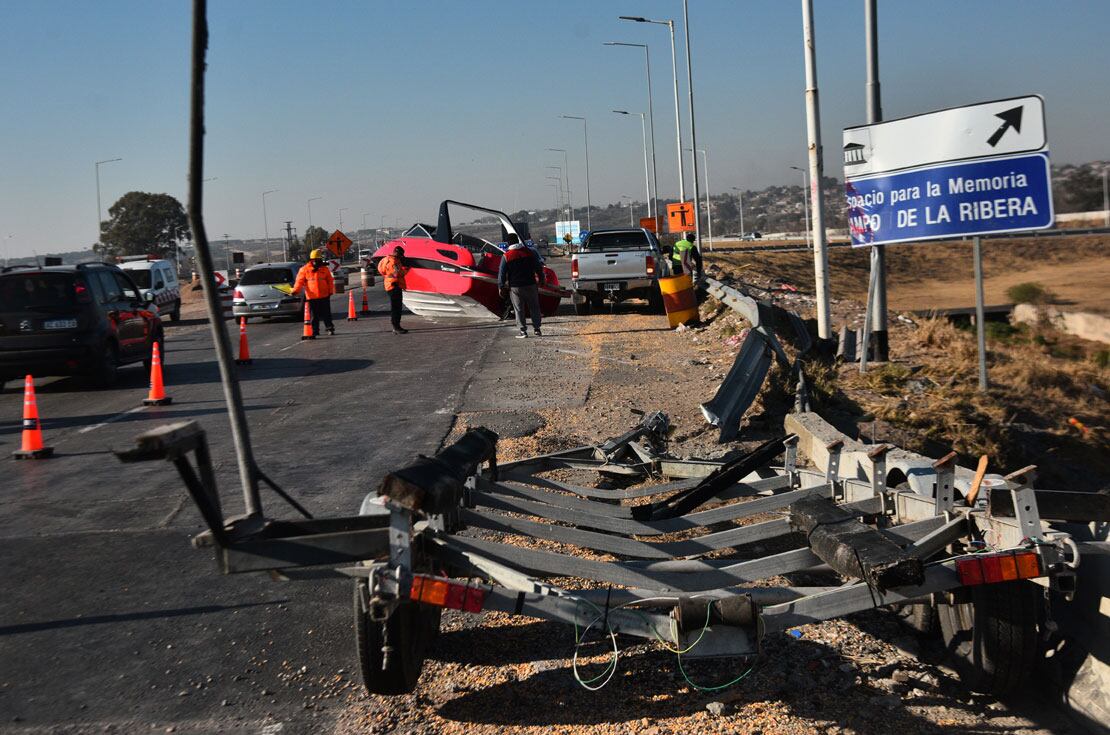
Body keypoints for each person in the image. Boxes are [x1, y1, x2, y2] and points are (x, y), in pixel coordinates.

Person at [498, 234, 545, 338]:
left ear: (508, 243)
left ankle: (523, 331)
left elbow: (501, 273)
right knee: (534, 307)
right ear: (517, 241)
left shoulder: (506, 256)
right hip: (531, 284)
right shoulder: (529, 252)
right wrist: (542, 279)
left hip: (516, 287)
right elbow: (538, 267)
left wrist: (500, 287)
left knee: (519, 309)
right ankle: (537, 330)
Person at [291, 249, 336, 337]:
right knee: (314, 315)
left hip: (324, 295)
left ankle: (330, 328)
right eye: (315, 260)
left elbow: (330, 281)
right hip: (312, 297)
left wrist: (331, 291)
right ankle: (315, 330)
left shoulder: (324, 269)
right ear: (311, 260)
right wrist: (295, 291)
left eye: (319, 260)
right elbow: (299, 281)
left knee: (326, 314)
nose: (317, 262)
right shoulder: (304, 270)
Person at [377, 245, 411, 334]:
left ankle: (396, 326)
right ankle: (396, 327)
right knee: (396, 308)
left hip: (389, 284)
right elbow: (397, 274)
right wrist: (406, 269)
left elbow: (381, 270)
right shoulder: (394, 262)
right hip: (394, 285)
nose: (401, 258)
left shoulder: (385, 259)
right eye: (400, 256)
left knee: (395, 307)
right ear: (397, 254)